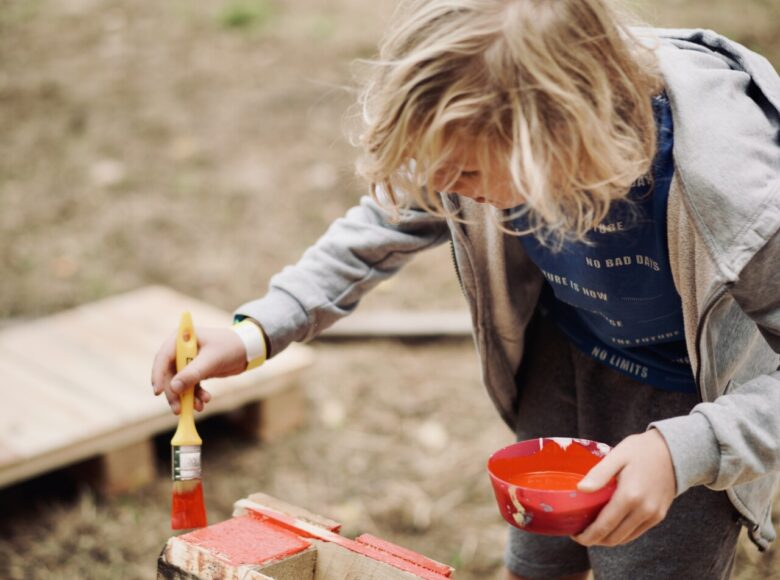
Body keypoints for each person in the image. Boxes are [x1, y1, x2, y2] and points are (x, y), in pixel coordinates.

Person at [151, 0, 780, 577]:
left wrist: (686, 450)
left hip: (690, 398)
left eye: (467, 172)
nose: (445, 186)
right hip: (568, 357)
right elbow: (377, 228)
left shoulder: (735, 194)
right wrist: (256, 331)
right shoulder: (480, 133)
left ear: (561, 134)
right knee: (538, 559)